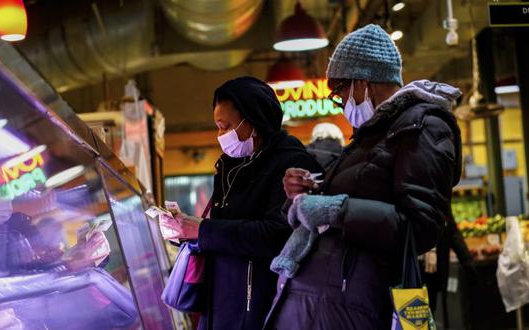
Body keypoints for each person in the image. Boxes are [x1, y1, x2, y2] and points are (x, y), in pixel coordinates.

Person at [264, 24, 463, 329]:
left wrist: (337, 210)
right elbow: (359, 196)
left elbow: (420, 227)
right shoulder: (369, 135)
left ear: (363, 81)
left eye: (340, 90)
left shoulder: (423, 128)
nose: (340, 101)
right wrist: (305, 193)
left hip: (362, 303)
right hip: (332, 302)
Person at [158, 76, 321, 330]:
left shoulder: (292, 166)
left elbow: (277, 235)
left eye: (226, 126)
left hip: (262, 311)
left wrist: (202, 229)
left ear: (253, 121)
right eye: (218, 127)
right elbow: (227, 231)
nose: (220, 135)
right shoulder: (230, 167)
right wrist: (186, 230)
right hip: (222, 306)